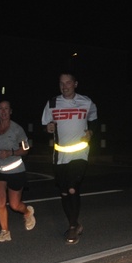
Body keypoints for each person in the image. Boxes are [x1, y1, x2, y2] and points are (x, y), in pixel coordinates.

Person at [41, 72, 97, 245]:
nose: (64, 86)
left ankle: (72, 228)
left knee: (72, 188)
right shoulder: (51, 103)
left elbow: (93, 121)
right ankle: (75, 223)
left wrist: (91, 132)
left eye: (68, 83)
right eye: (61, 83)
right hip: (60, 155)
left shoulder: (86, 102)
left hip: (80, 153)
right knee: (64, 192)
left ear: (75, 84)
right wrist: (47, 128)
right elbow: (45, 126)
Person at [0, 98, 36, 242]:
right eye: (1, 109)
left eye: (6, 109)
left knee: (15, 205)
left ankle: (27, 212)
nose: (3, 111)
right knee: (0, 201)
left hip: (15, 169)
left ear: (10, 112)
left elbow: (25, 150)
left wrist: (10, 152)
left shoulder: (17, 129)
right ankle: (5, 232)